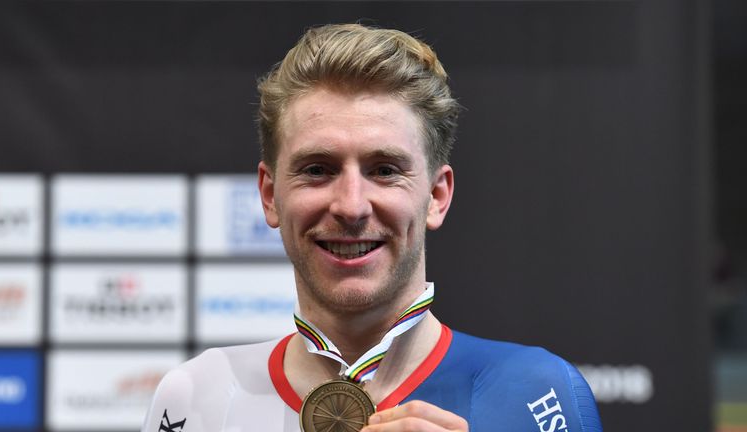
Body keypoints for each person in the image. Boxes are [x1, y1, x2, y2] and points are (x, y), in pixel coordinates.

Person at [141, 23, 603, 432]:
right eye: (318, 169)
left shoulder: (541, 398)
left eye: (384, 170)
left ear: (436, 197)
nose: (351, 206)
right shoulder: (195, 398)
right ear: (269, 195)